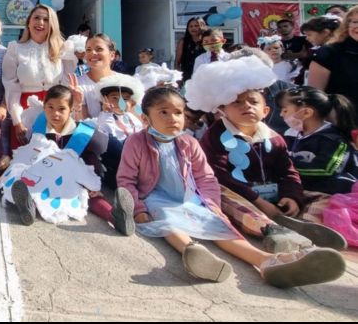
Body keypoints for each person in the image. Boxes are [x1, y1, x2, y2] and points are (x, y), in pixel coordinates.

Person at [116, 86, 346, 287]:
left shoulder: (188, 142)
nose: (172, 118)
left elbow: (206, 177)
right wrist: (138, 208)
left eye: (178, 112)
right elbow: (126, 179)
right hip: (155, 195)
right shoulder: (136, 142)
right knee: (166, 216)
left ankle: (265, 260)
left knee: (216, 224)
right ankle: (192, 251)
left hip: (189, 196)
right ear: (146, 119)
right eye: (163, 113)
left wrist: (212, 204)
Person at [186, 56, 347, 252]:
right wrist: (258, 201)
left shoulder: (274, 137)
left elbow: (288, 171)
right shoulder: (214, 136)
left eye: (253, 102)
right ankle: (273, 230)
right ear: (222, 110)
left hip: (273, 196)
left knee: (323, 198)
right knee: (227, 199)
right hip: (244, 197)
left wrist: (292, 196)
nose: (246, 106)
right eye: (236, 102)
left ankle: (305, 224)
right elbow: (219, 176)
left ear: (265, 110)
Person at [0, 84, 124, 231]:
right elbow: (30, 154)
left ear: (71, 110)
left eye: (61, 109)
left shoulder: (80, 133)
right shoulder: (39, 128)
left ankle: (115, 217)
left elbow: (90, 159)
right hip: (43, 177)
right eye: (50, 107)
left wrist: (92, 183)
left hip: (68, 179)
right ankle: (28, 207)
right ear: (44, 107)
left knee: (90, 196)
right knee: (28, 185)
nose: (55, 113)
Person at [2, 5, 74, 148]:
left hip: (56, 109)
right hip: (25, 109)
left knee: (54, 155)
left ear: (52, 24)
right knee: (23, 155)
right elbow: (11, 86)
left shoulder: (64, 48)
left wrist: (65, 114)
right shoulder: (15, 48)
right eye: (36, 18)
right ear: (28, 22)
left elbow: (67, 84)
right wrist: (17, 121)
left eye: (46, 19)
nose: (40, 22)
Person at [276, 86, 358, 194]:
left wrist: (285, 167)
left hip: (335, 196)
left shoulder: (334, 140)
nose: (281, 114)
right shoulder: (293, 135)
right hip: (306, 189)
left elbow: (327, 169)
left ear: (306, 113)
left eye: (285, 110)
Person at [308, 5, 358, 109]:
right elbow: (314, 95)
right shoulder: (329, 53)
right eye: (355, 22)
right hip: (343, 120)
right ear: (347, 25)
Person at [76, 34, 118, 119]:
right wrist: (77, 104)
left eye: (99, 49)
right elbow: (82, 123)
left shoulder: (124, 82)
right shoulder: (78, 85)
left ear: (112, 55)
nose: (93, 53)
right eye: (88, 50)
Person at [95, 73, 145, 141]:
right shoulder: (105, 117)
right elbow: (106, 132)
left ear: (132, 103)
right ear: (105, 100)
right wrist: (107, 112)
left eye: (125, 99)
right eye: (114, 98)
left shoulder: (133, 118)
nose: (119, 103)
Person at [175, 17, 208, 82]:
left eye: (196, 26)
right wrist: (178, 77)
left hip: (204, 77)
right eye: (190, 26)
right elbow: (177, 62)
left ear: (202, 26)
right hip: (187, 77)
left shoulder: (207, 41)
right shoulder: (183, 42)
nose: (193, 28)